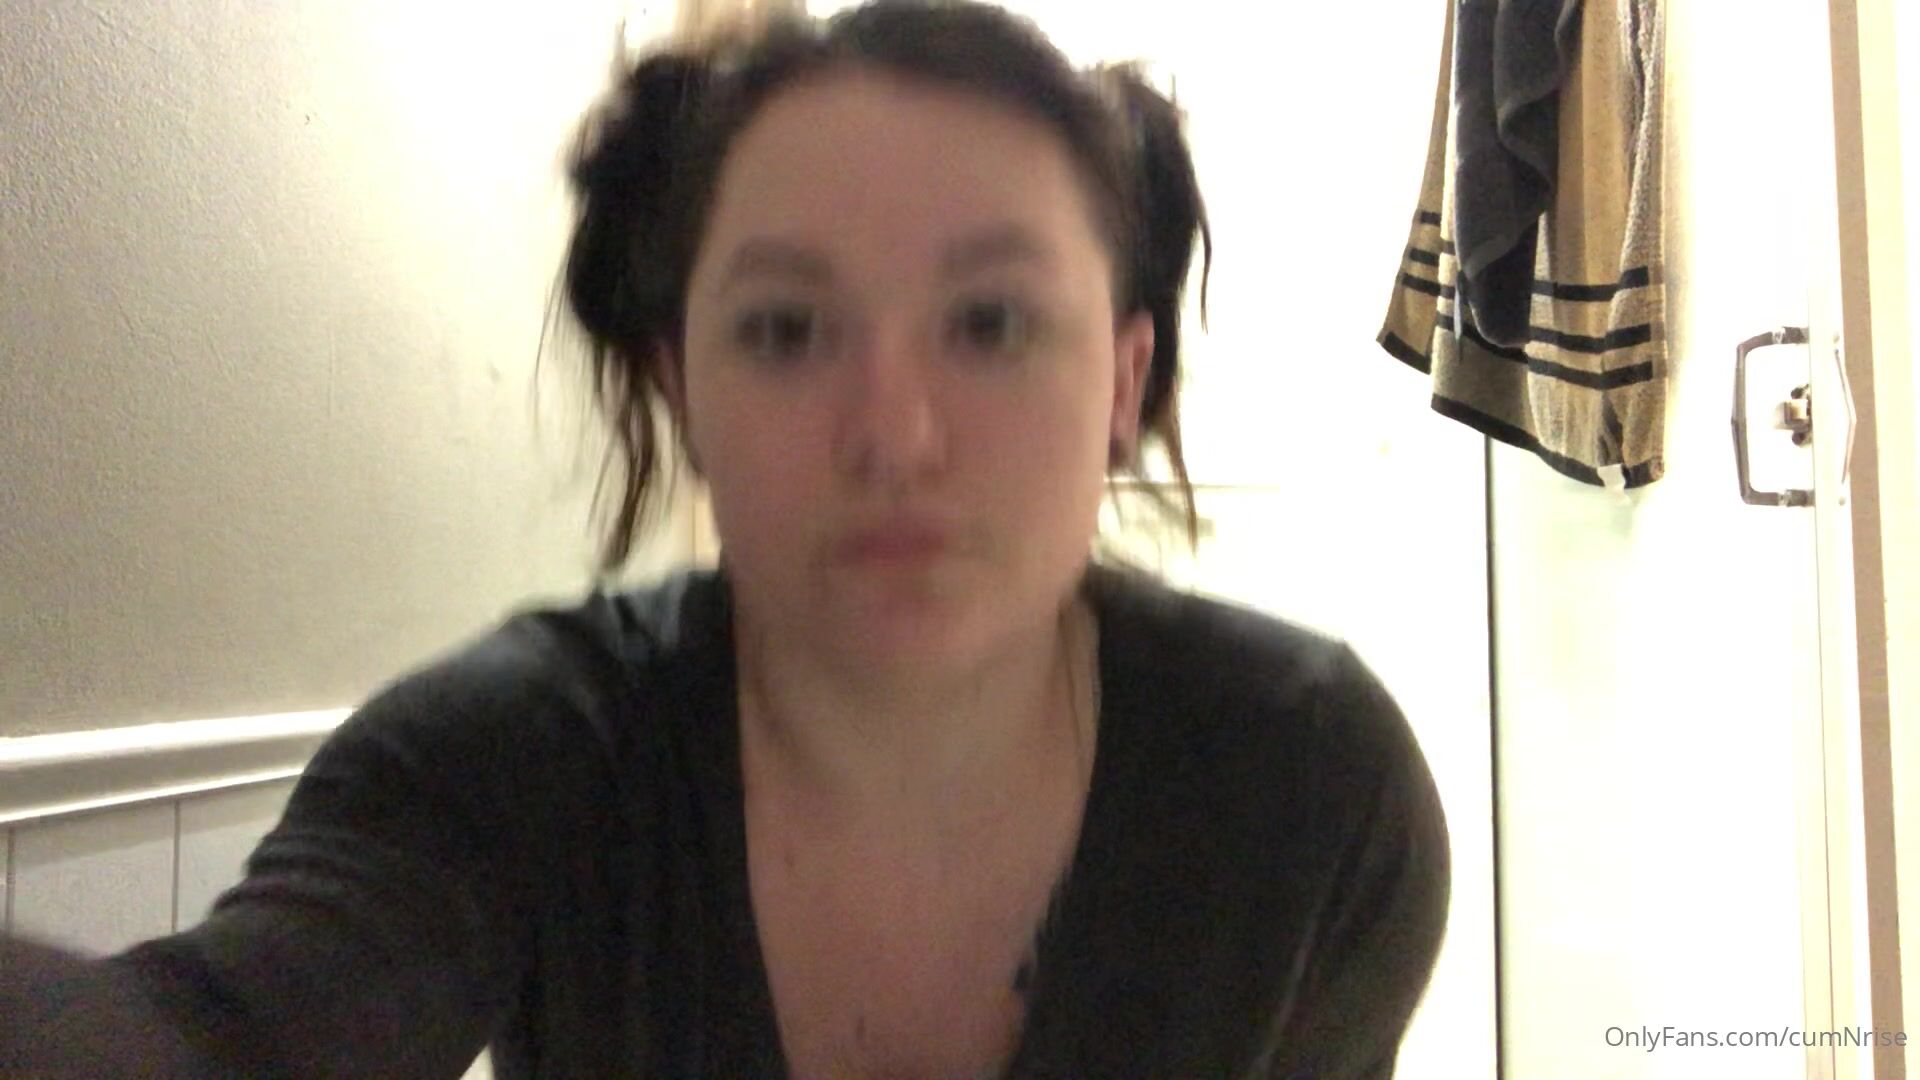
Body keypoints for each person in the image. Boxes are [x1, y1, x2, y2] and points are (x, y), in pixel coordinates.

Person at [0, 1, 1450, 1077]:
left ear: (1124, 384)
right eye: (787, 330)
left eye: (993, 322)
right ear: (685, 392)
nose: (895, 435)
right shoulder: (517, 757)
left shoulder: (1313, 786)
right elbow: (217, 1036)